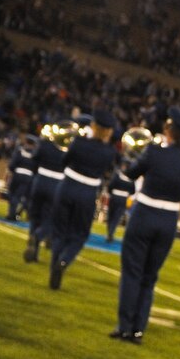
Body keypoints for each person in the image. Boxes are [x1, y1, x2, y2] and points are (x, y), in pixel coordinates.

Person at [112, 107, 180, 344]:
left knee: (132, 272)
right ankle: (138, 330)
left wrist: (137, 154)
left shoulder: (154, 152)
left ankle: (124, 326)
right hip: (169, 220)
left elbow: (131, 173)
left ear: (169, 131)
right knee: (149, 277)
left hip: (144, 214)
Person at [47, 109, 118, 289]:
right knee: (79, 234)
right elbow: (107, 171)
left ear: (93, 126)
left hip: (68, 186)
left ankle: (54, 266)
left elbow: (64, 160)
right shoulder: (109, 152)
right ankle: (64, 261)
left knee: (60, 231)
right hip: (88, 192)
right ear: (109, 131)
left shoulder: (78, 142)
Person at [24, 121, 67, 262]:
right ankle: (38, 236)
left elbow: (34, 158)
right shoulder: (67, 148)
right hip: (56, 184)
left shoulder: (45, 144)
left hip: (40, 180)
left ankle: (33, 251)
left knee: (35, 215)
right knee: (51, 217)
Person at [5, 132, 35, 222]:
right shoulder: (35, 154)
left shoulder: (20, 151)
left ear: (26, 142)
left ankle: (12, 213)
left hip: (17, 175)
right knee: (24, 197)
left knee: (13, 195)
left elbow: (12, 165)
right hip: (29, 177)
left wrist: (11, 172)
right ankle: (19, 213)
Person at [103, 164, 133, 241]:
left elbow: (110, 186)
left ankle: (110, 232)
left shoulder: (117, 176)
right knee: (116, 217)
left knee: (111, 215)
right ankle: (111, 232)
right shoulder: (131, 179)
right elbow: (133, 191)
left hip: (114, 197)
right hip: (123, 199)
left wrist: (110, 193)